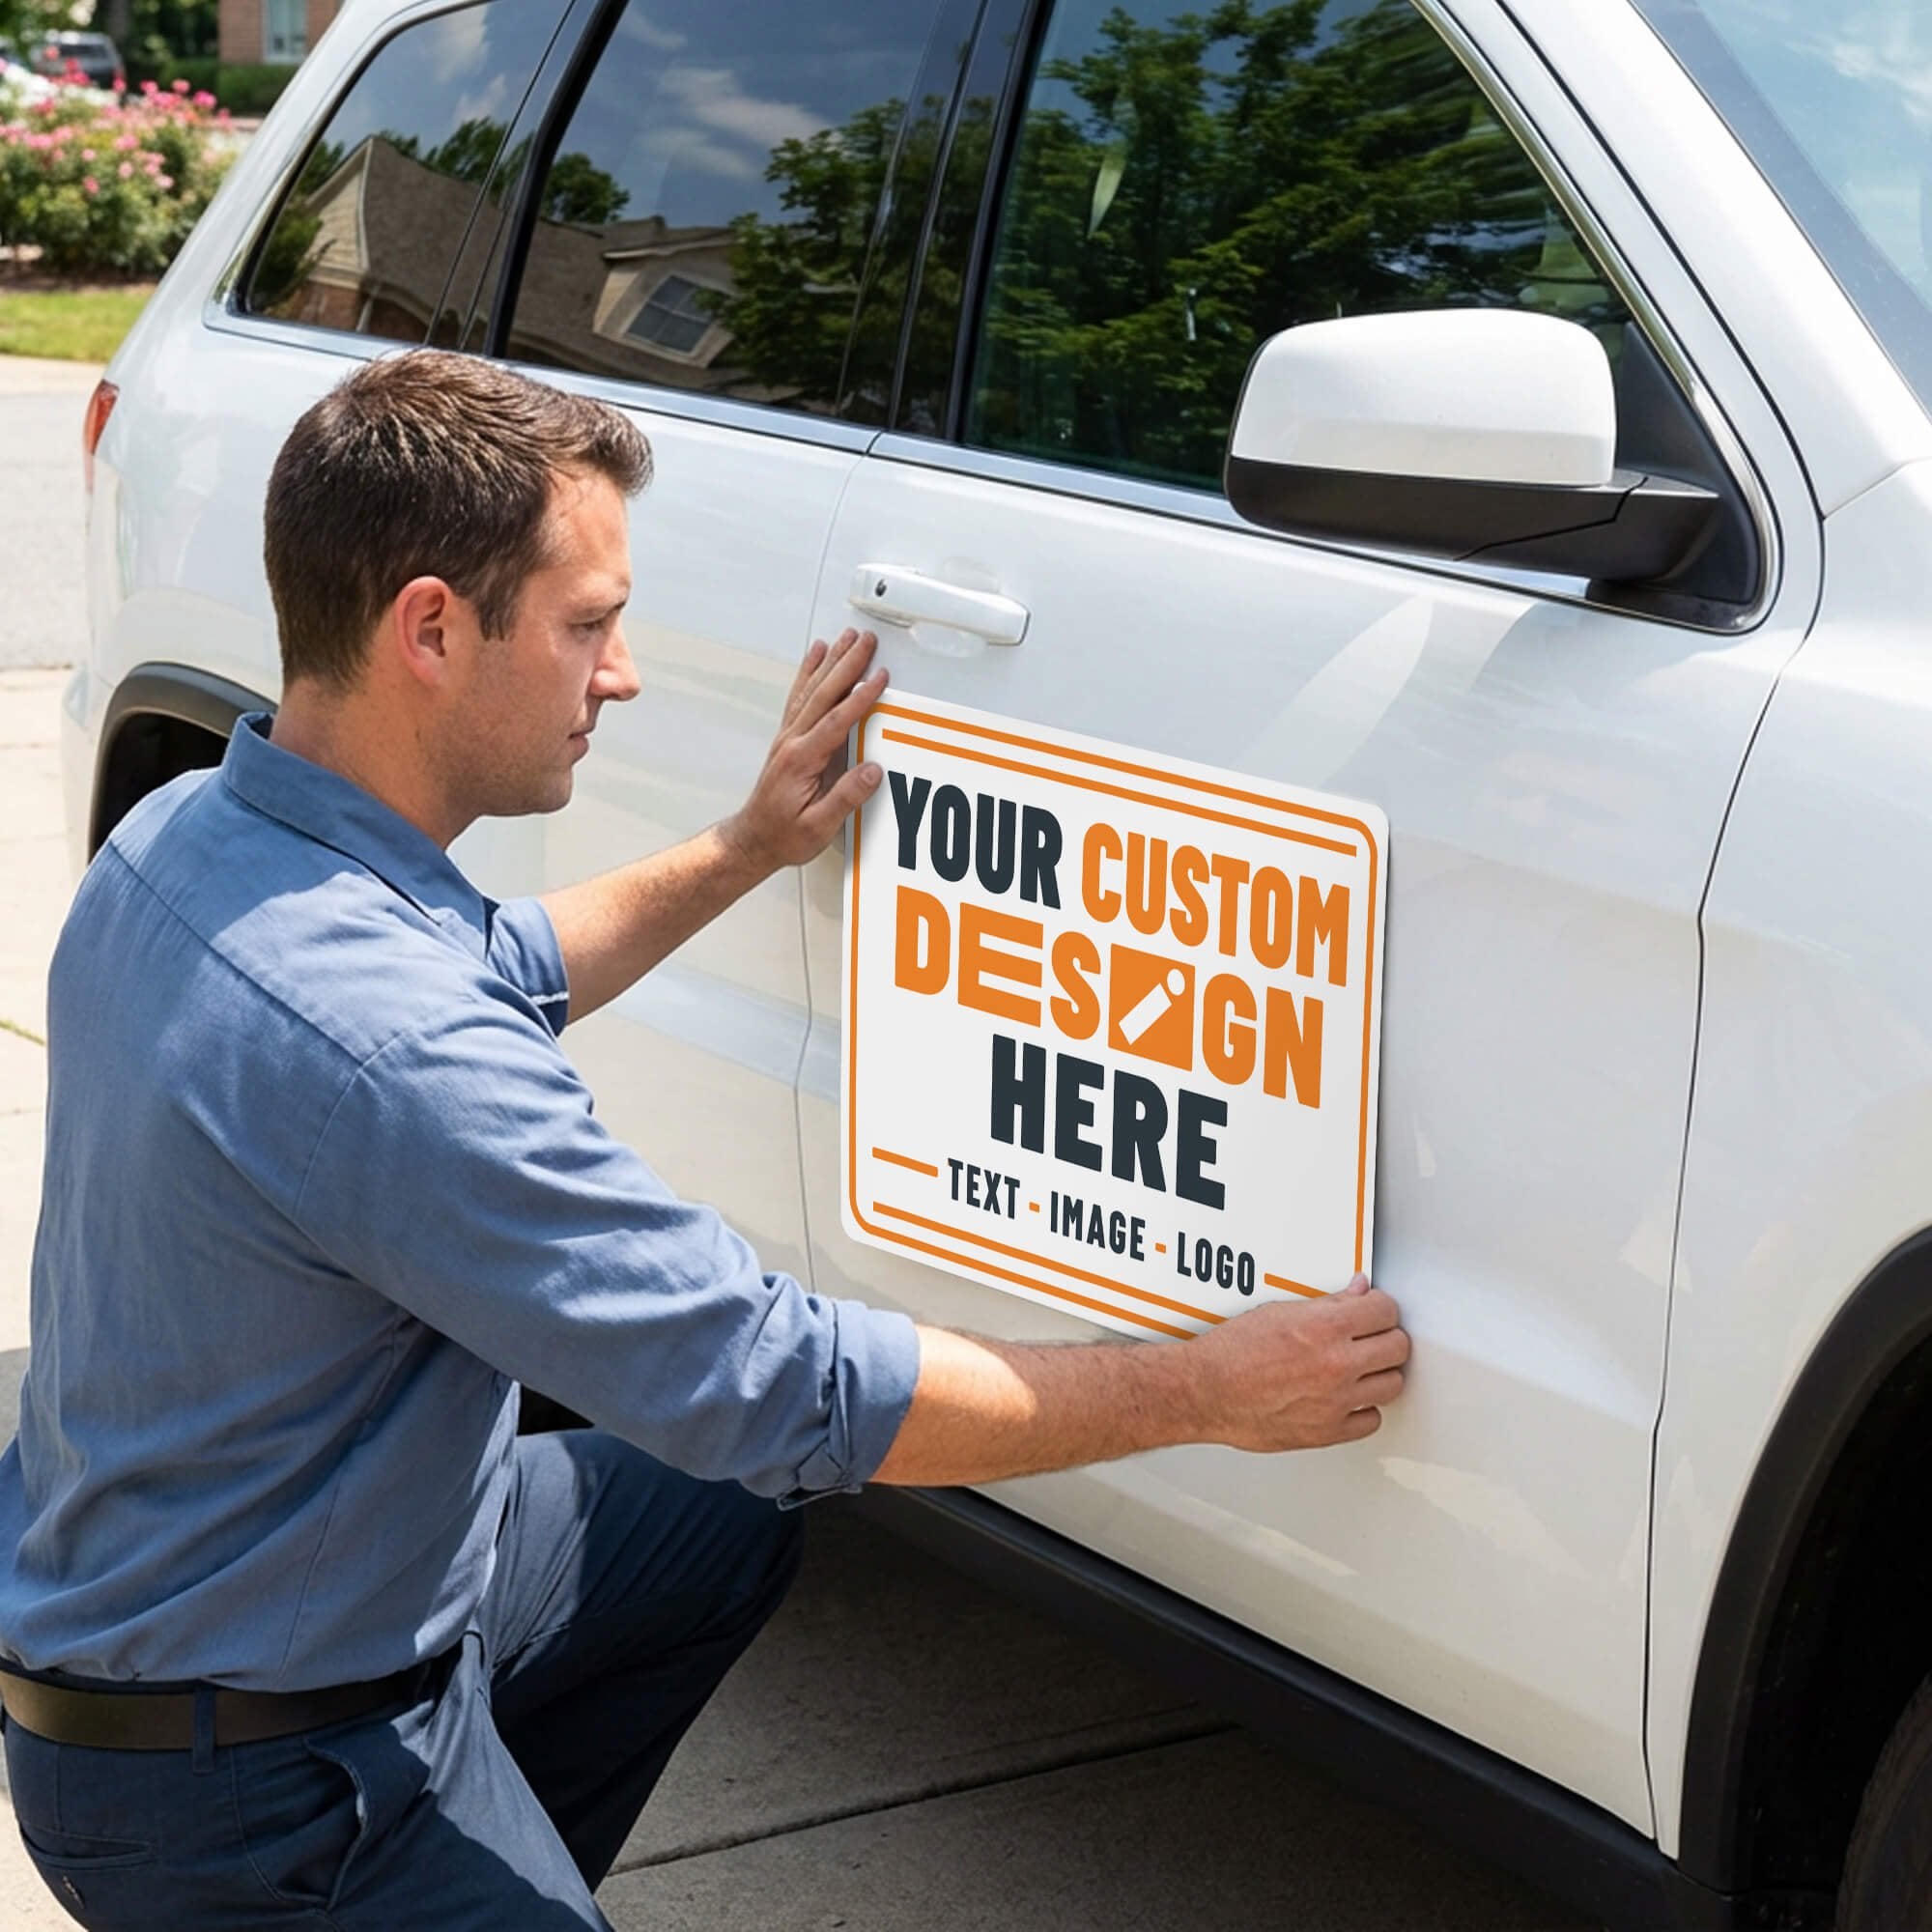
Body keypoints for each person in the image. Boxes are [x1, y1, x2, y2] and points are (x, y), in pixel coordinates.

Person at [0, 352, 1408, 1929]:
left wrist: (746, 846)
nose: (624, 673)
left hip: (235, 1624)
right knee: (759, 1462)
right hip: (250, 1783)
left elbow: (503, 964)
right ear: (431, 631)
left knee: (707, 1532)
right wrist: (1207, 1387)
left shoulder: (198, 836)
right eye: (589, 623)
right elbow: (779, 1385)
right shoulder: (390, 1050)